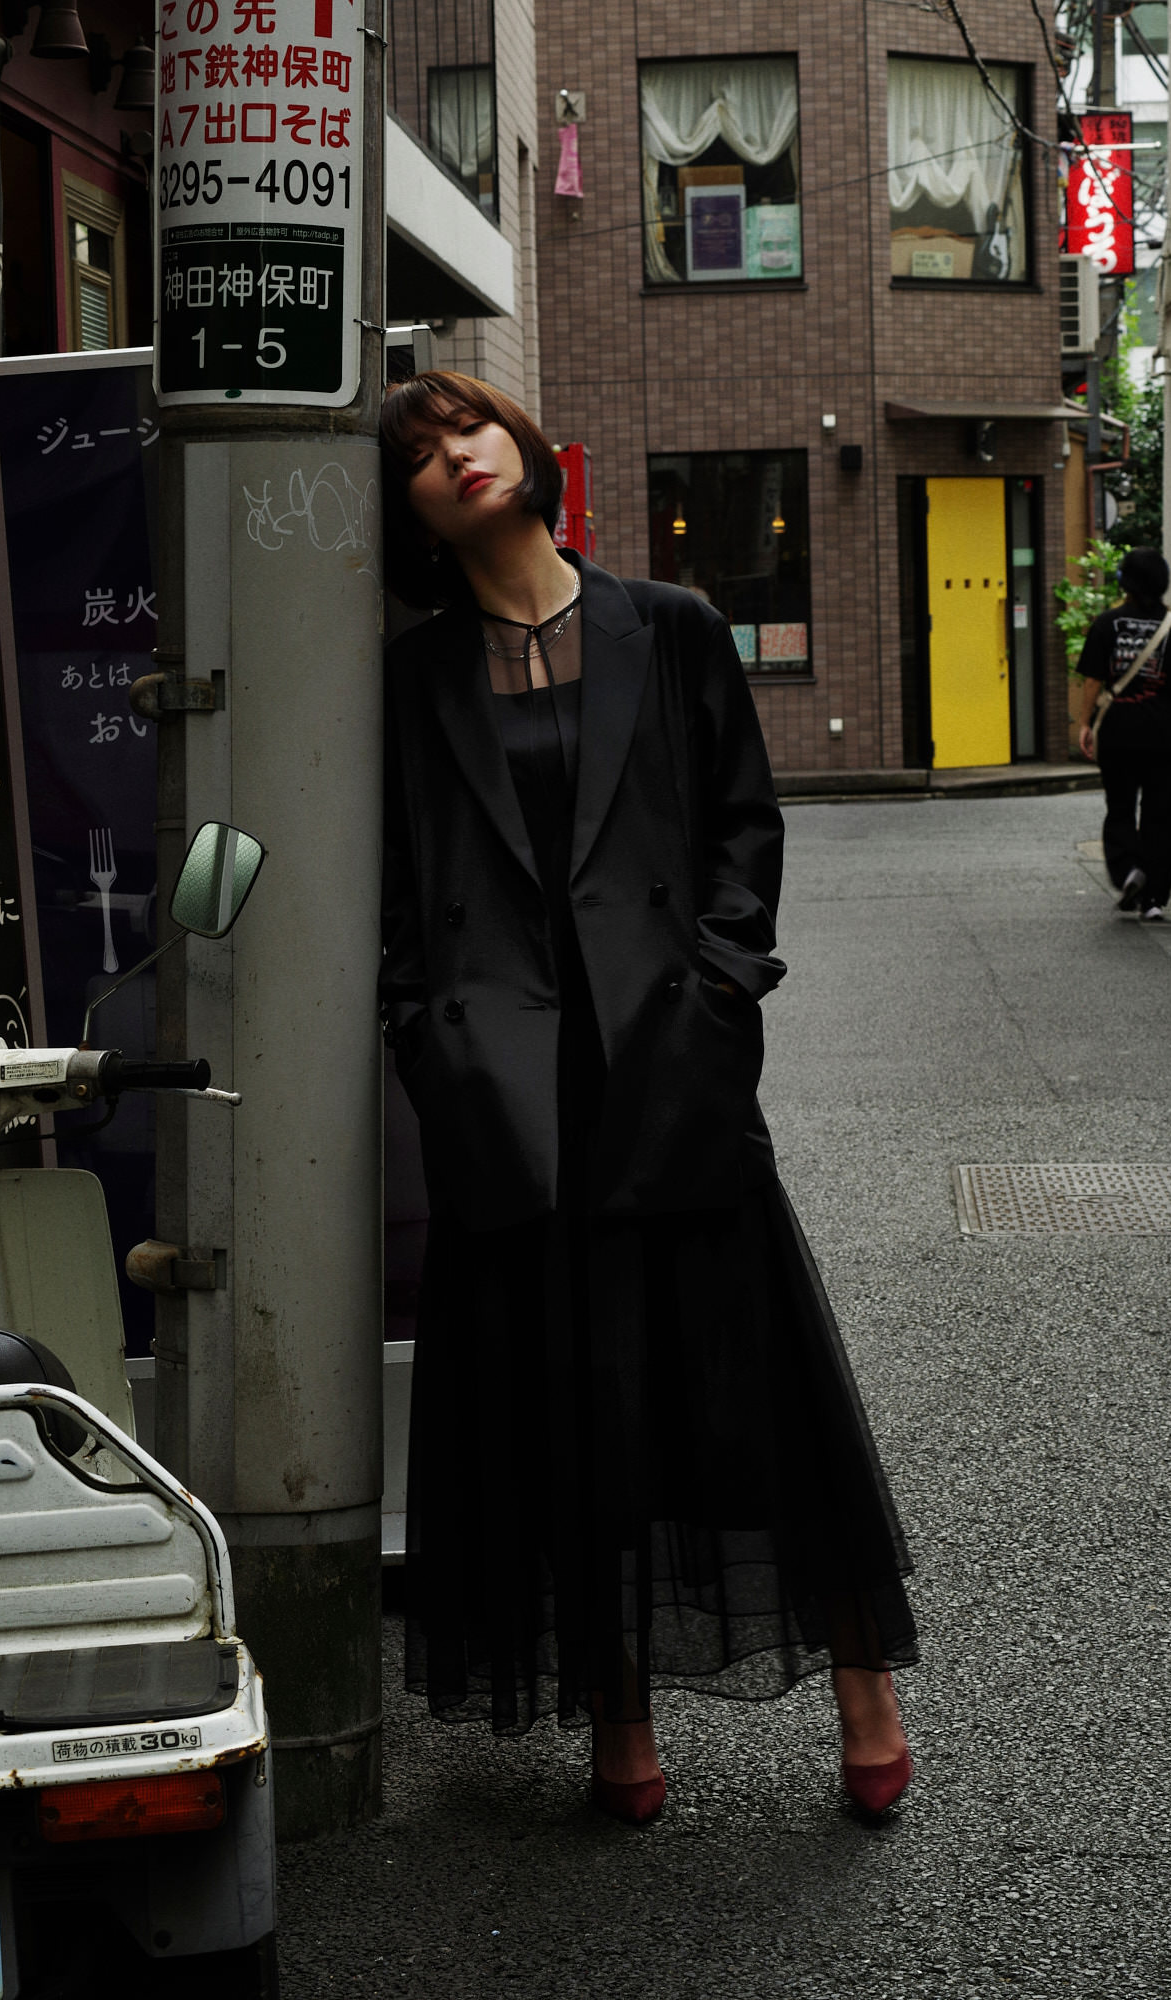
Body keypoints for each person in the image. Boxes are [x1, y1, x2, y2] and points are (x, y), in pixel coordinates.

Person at [378, 371, 918, 1826]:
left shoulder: (668, 625)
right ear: (410, 511)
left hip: (670, 1065)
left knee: (752, 1396)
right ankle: (617, 1714)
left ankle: (864, 1686)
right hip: (510, 1098)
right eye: (421, 454)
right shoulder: (415, 678)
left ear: (522, 444)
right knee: (569, 1414)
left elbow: (745, 821)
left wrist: (723, 987)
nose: (455, 457)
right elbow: (398, 895)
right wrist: (426, 1039)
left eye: (469, 427)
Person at [1076, 548, 1171, 921]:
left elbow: (1093, 679)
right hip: (1164, 729)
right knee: (1160, 810)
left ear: (1125, 582)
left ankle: (1129, 870)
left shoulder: (1107, 623)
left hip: (1119, 728)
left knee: (1120, 805)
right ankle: (1155, 899)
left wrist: (1085, 723)